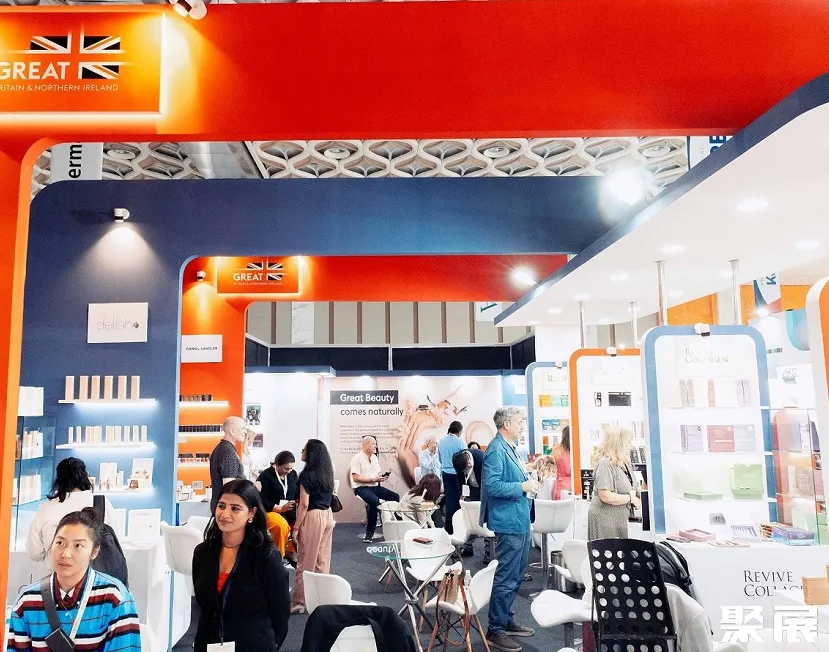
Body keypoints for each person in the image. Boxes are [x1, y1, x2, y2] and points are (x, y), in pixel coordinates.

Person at [9, 508, 141, 652]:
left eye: (78, 545)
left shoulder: (114, 598)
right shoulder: (27, 600)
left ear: (94, 552)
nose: (65, 554)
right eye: (60, 543)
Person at [192, 479, 289, 652]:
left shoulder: (265, 556)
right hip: (210, 642)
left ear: (251, 513)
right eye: (221, 506)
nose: (225, 514)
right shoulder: (203, 552)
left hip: (253, 644)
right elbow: (203, 603)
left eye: (235, 508)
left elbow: (280, 612)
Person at [480, 406, 539, 652]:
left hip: (519, 518)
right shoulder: (496, 449)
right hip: (508, 521)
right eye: (519, 422)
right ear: (506, 424)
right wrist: (522, 487)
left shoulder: (510, 448)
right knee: (506, 576)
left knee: (516, 574)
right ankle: (495, 630)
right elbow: (492, 486)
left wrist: (526, 480)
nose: (522, 426)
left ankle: (506, 620)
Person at [26, 457, 116, 575]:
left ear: (58, 480)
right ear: (85, 476)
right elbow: (114, 542)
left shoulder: (46, 509)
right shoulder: (102, 504)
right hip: (94, 577)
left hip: (55, 578)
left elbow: (34, 552)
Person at [291, 439, 335, 614]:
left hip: (313, 517)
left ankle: (299, 601)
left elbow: (304, 504)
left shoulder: (306, 476)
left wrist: (296, 528)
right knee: (322, 560)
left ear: (311, 454)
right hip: (327, 515)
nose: (302, 452)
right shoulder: (327, 473)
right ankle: (320, 598)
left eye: (304, 449)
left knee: (305, 561)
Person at [588, 426, 640, 541]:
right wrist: (630, 498)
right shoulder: (605, 464)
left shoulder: (625, 462)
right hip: (605, 520)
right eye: (628, 442)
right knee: (607, 551)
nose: (631, 446)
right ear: (618, 444)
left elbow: (633, 486)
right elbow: (605, 496)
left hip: (620, 520)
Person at [350, 435, 399, 543]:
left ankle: (395, 526)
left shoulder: (374, 458)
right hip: (362, 488)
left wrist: (381, 477)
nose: (375, 446)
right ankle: (369, 533)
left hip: (375, 486)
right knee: (374, 501)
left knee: (395, 497)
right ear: (366, 445)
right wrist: (373, 478)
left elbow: (378, 473)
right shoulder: (356, 458)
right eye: (373, 444)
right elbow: (355, 477)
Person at [256, 451, 299, 560]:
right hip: (270, 510)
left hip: (290, 509)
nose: (289, 471)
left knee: (303, 523)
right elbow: (260, 499)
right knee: (281, 526)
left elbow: (297, 492)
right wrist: (279, 508)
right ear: (277, 465)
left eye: (291, 468)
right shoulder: (265, 476)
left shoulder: (293, 474)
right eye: (286, 468)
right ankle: (279, 556)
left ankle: (290, 550)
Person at [209, 416, 247, 513]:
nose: (245, 431)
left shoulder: (223, 449)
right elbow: (229, 486)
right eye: (243, 428)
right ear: (232, 431)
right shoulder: (227, 452)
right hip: (228, 509)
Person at [438, 421, 466, 535]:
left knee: (449, 501)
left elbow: (440, 459)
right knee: (460, 501)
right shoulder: (460, 442)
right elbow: (466, 460)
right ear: (459, 431)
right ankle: (458, 529)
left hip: (445, 473)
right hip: (457, 474)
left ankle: (449, 528)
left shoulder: (441, 440)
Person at [552, 426, 572, 500]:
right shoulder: (576, 450)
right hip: (574, 485)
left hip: (560, 485)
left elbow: (552, 468)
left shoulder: (557, 450)